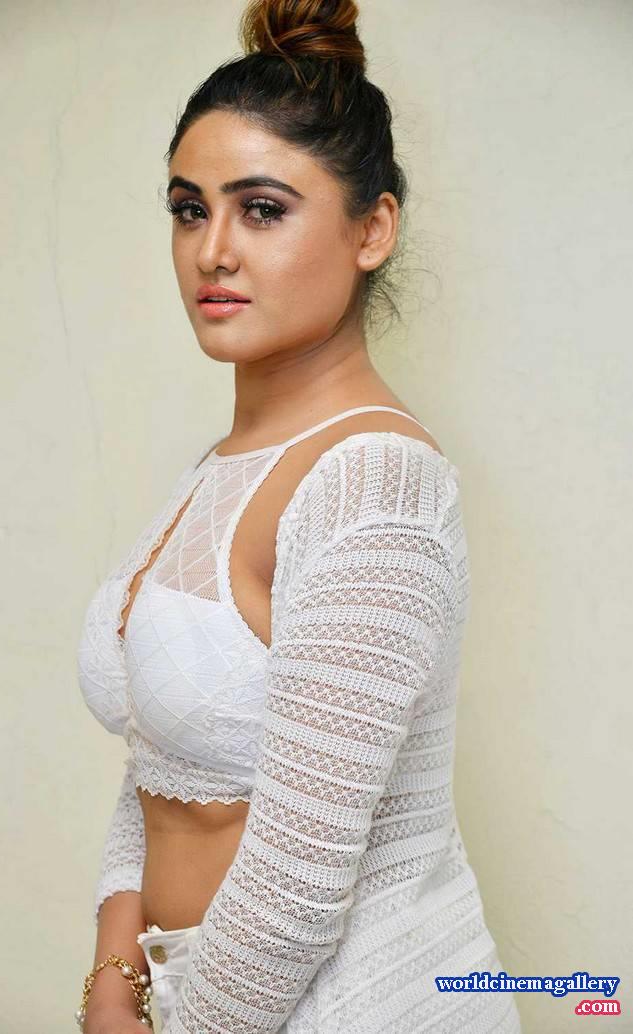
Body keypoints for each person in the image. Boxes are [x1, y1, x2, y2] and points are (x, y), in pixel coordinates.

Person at [76, 1, 523, 1032]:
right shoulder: (217, 470)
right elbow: (156, 768)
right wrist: (113, 978)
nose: (212, 251)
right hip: (188, 999)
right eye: (188, 209)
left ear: (372, 229)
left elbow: (299, 880)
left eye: (262, 209)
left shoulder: (375, 486)